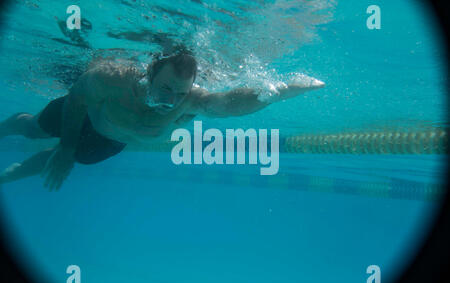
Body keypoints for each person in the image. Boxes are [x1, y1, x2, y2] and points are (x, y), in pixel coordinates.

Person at [0, 53, 324, 190]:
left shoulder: (190, 99)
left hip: (108, 141)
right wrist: (67, 145)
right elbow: (76, 98)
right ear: (151, 73)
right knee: (33, 129)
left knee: (70, 158)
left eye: (179, 92)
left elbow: (226, 104)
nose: (170, 99)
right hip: (81, 112)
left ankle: (11, 175)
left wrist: (273, 94)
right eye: (165, 88)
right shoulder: (112, 78)